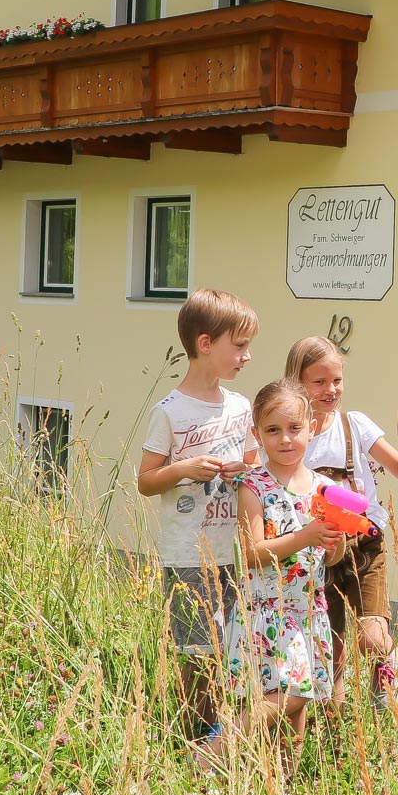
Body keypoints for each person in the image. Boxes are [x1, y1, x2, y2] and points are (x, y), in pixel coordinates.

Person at [285, 335, 398, 705]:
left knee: (371, 638)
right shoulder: (292, 435)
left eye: (336, 380)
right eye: (319, 382)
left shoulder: (354, 424)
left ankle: (382, 676)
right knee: (332, 651)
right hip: (318, 547)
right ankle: (338, 734)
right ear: (297, 382)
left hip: (365, 542)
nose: (331, 389)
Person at [135, 289, 259, 739]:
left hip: (237, 550)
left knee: (230, 648)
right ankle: (193, 738)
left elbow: (255, 467)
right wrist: (184, 469)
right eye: (239, 346)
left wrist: (241, 470)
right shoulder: (169, 411)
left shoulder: (242, 407)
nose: (247, 356)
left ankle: (219, 733)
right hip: (188, 552)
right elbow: (146, 481)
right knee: (197, 651)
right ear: (205, 344)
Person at [208, 379, 348, 763]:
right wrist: (307, 535)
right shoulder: (253, 485)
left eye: (294, 428)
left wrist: (333, 546)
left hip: (308, 610)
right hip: (268, 611)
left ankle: (286, 777)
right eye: (273, 430)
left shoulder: (324, 488)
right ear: (257, 434)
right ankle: (211, 755)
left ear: (312, 428)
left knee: (298, 702)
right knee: (292, 693)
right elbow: (251, 553)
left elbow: (331, 559)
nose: (285, 439)